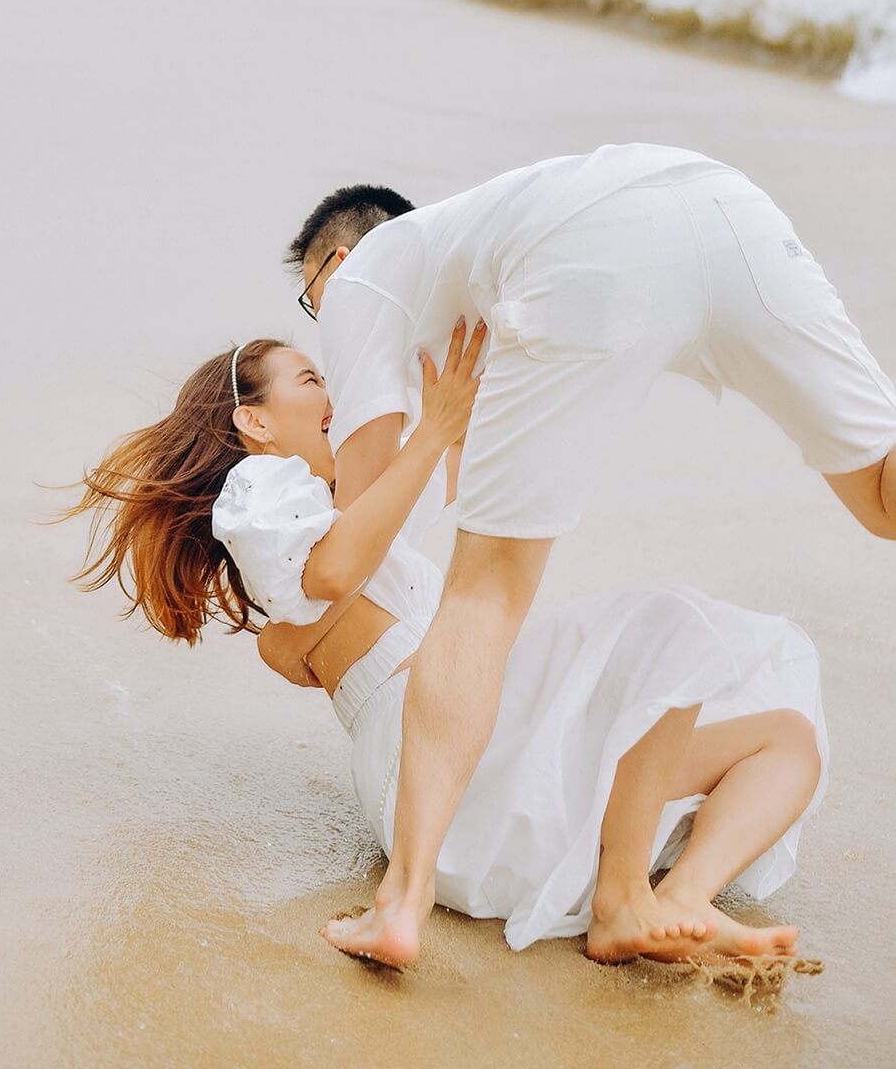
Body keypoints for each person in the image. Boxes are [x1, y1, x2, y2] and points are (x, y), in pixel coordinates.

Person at [270, 144, 892, 966]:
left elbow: (356, 538)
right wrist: (446, 419)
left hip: (589, 251)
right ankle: (642, 896)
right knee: (882, 500)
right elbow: (464, 485)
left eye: (311, 303)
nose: (323, 322)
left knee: (484, 591)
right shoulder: (475, 277)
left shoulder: (363, 276)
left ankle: (401, 903)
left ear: (335, 263)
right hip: (728, 206)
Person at [68, 334, 826, 965]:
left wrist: (455, 419)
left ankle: (680, 893)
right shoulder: (258, 491)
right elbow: (332, 571)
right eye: (308, 378)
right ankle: (623, 895)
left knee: (785, 738)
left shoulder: (320, 521)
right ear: (254, 422)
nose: (329, 390)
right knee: (666, 624)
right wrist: (428, 433)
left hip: (461, 780)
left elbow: (429, 521)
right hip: (447, 746)